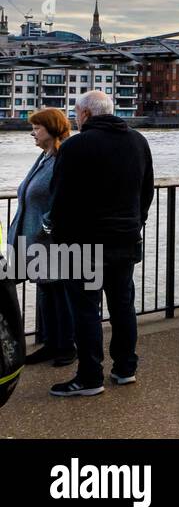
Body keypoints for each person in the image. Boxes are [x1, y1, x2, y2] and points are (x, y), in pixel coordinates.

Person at [47, 91, 154, 396]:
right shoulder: (138, 141)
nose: (75, 119)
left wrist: (58, 235)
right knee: (123, 306)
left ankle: (90, 376)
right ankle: (125, 368)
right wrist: (136, 223)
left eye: (76, 114)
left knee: (85, 310)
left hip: (83, 245)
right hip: (126, 240)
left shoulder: (76, 145)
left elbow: (60, 197)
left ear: (87, 115)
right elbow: (146, 191)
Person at [7, 108, 76, 366]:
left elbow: (64, 199)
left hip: (51, 240)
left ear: (52, 129)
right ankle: (50, 343)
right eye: (32, 128)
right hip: (34, 240)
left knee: (59, 292)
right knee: (46, 291)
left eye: (37, 128)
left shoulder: (63, 157)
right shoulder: (45, 157)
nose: (32, 133)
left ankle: (67, 347)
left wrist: (46, 227)